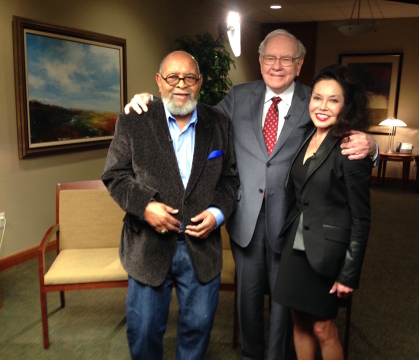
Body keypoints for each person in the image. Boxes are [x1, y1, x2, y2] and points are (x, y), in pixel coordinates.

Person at [124, 29, 377, 360]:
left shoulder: (314, 99)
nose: (277, 65)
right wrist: (152, 102)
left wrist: (372, 148)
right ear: (259, 62)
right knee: (248, 301)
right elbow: (195, 113)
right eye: (270, 57)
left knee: (289, 307)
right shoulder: (238, 96)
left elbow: (343, 140)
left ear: (299, 64)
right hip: (245, 220)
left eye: (286, 59)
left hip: (291, 223)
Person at [101, 50, 239, 360]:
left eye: (189, 77)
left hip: (201, 249)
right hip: (147, 246)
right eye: (172, 77)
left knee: (199, 327)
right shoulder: (134, 118)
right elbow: (115, 175)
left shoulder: (219, 123)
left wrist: (217, 215)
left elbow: (230, 180)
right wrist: (145, 206)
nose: (181, 85)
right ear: (159, 81)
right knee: (145, 329)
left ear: (199, 82)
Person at [272, 64, 371, 360]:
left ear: (346, 105)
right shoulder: (308, 136)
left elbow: (361, 219)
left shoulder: (350, 147)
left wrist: (349, 274)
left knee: (323, 328)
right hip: (296, 248)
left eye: (333, 99)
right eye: (317, 98)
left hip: (326, 255)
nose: (323, 106)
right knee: (298, 320)